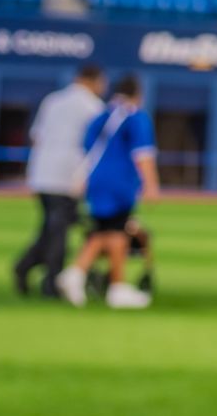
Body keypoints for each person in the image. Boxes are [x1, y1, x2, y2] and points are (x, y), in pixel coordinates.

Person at [58, 74, 159, 310]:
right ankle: (116, 286)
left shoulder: (101, 116)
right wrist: (151, 185)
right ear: (138, 94)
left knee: (104, 230)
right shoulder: (135, 117)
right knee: (117, 232)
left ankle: (76, 274)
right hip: (119, 182)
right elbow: (142, 154)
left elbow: (87, 148)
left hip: (96, 180)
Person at [13, 65, 105, 298]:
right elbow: (96, 148)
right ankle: (50, 282)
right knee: (58, 231)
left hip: (42, 174)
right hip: (67, 177)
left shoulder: (52, 101)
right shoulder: (93, 107)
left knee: (51, 227)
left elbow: (37, 137)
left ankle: (25, 266)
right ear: (95, 81)